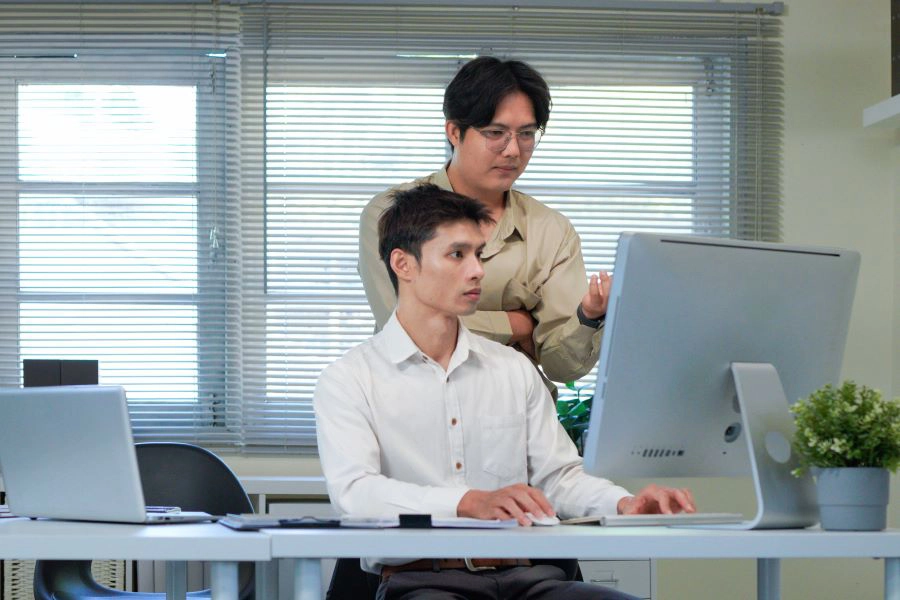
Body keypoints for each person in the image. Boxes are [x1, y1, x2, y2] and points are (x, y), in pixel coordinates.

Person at [318, 184, 695, 600]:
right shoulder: (349, 379)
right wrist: (467, 503)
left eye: (479, 254)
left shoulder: (513, 370)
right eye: (457, 254)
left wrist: (624, 505)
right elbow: (357, 494)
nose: (478, 269)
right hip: (423, 583)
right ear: (403, 264)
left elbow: (560, 478)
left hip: (531, 580)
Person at [359, 56, 610, 390]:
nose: (512, 150)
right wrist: (517, 323)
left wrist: (587, 317)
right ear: (454, 132)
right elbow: (406, 327)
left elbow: (561, 366)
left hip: (519, 417)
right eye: (495, 132)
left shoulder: (552, 232)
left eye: (526, 134)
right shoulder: (389, 213)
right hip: (414, 408)